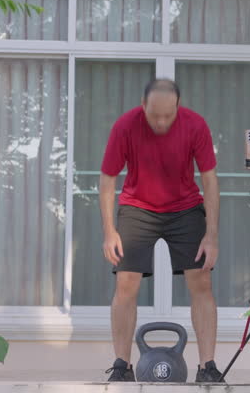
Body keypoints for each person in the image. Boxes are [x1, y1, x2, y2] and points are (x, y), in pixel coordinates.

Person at [99, 78, 223, 383]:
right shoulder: (125, 126)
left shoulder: (195, 125)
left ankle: (207, 366)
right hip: (138, 207)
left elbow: (209, 180)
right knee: (126, 282)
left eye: (169, 116)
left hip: (185, 208)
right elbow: (107, 180)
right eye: (155, 116)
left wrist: (211, 234)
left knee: (202, 280)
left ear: (178, 107)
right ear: (143, 106)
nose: (162, 122)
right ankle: (121, 365)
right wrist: (109, 231)